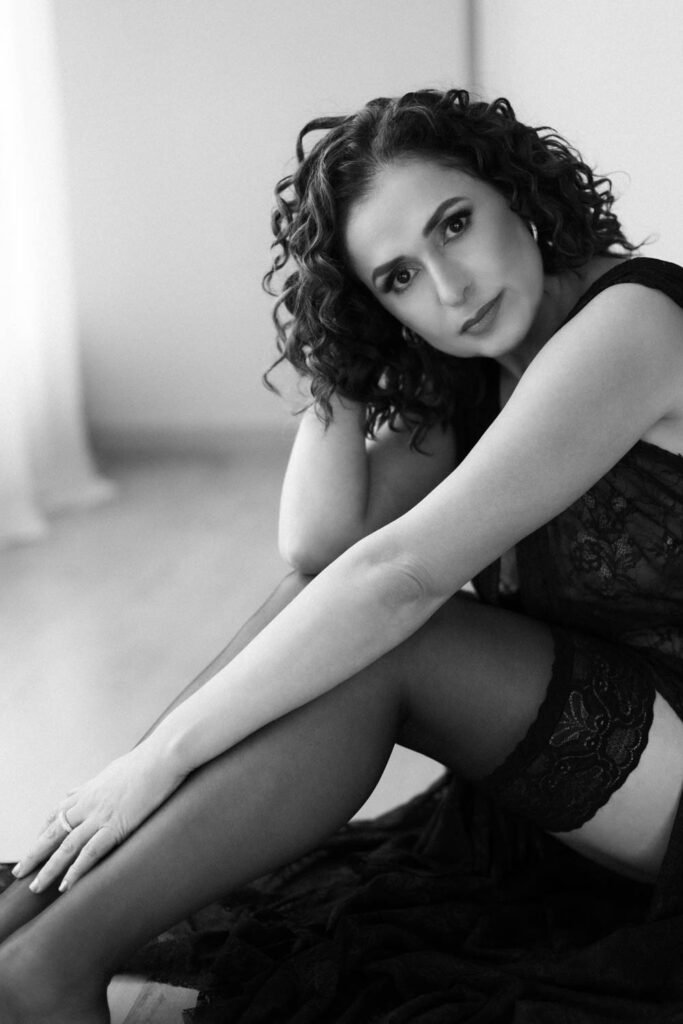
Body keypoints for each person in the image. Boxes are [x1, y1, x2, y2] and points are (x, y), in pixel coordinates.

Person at [1, 86, 683, 1022]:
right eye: (397, 278)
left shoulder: (634, 324)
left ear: (516, 192)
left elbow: (393, 577)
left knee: (393, 630)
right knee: (327, 612)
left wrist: (160, 755)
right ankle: (30, 923)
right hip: (633, 743)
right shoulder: (484, 373)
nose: (450, 288)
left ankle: (44, 968)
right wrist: (339, 354)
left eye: (454, 225)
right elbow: (322, 546)